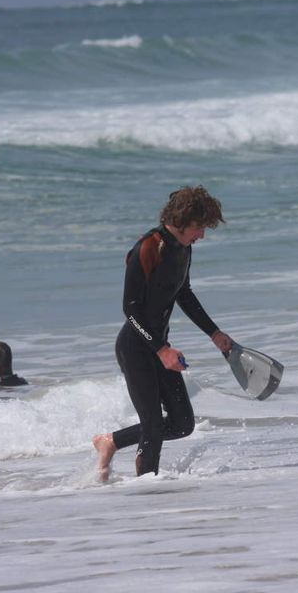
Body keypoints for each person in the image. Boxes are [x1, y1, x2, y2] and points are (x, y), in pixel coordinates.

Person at [93, 185, 232, 480]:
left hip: (158, 347)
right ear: (182, 220)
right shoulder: (147, 248)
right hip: (135, 348)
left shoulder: (184, 248)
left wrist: (214, 333)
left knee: (182, 424)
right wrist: (161, 350)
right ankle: (147, 495)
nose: (202, 235)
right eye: (199, 227)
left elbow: (184, 293)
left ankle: (111, 442)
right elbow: (130, 309)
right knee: (153, 426)